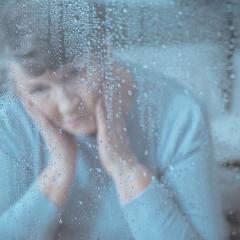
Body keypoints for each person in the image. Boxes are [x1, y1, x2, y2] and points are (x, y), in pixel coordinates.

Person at [0, 0, 228, 239]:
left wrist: (125, 166)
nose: (66, 105)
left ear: (105, 49)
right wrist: (59, 170)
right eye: (38, 89)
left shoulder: (180, 115)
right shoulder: (9, 121)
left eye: (75, 73)